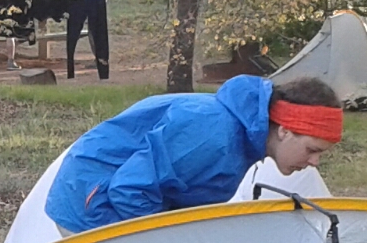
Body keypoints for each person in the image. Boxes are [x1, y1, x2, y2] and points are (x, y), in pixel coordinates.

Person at [44, 76, 343, 234]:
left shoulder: (243, 139)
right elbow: (128, 189)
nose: (314, 163)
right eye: (312, 150)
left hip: (116, 194)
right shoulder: (213, 136)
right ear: (284, 130)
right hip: (92, 197)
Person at [68, 0, 111, 81]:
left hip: (96, 4)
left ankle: (99, 58)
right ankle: (97, 57)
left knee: (96, 33)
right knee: (93, 32)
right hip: (93, 3)